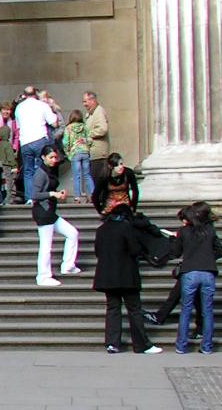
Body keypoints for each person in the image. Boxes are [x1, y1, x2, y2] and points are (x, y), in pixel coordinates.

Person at [92, 205, 161, 354]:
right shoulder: (126, 228)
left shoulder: (101, 229)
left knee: (113, 309)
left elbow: (97, 251)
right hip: (126, 275)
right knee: (134, 309)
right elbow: (135, 250)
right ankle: (141, 345)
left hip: (107, 277)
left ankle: (112, 343)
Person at [172, 202, 222, 355]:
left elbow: (176, 252)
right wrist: (208, 258)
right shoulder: (209, 230)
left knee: (186, 310)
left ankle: (182, 346)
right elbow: (220, 251)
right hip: (208, 272)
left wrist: (174, 240)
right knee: (207, 311)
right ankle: (207, 346)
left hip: (189, 272)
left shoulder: (183, 231)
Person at [31, 145, 80, 287]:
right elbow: (34, 194)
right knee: (46, 246)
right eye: (51, 157)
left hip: (49, 212)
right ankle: (43, 276)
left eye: (55, 157)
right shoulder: (40, 173)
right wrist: (53, 194)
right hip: (43, 212)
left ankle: (68, 265)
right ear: (43, 157)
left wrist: (57, 193)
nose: (54, 160)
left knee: (72, 233)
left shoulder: (50, 170)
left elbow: (48, 189)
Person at [13, 85, 59, 200]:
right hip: (40, 139)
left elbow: (18, 126)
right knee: (41, 169)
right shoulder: (42, 105)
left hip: (25, 142)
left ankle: (30, 198)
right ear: (36, 94)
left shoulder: (19, 107)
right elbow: (54, 123)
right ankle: (41, 195)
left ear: (24, 95)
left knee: (28, 171)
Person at [0, 100, 22, 204]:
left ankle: (11, 196)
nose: (6, 112)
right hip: (0, 152)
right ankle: (3, 196)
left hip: (11, 152)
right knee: (3, 175)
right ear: (0, 110)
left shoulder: (13, 121)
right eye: (4, 109)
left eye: (8, 110)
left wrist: (14, 147)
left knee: (11, 176)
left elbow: (17, 135)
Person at [91, 152, 140, 216]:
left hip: (125, 207)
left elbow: (135, 191)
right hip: (109, 209)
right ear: (110, 166)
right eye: (116, 165)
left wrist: (133, 207)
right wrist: (100, 210)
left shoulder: (128, 173)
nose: (120, 167)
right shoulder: (104, 177)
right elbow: (95, 195)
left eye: (121, 164)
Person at [63, 108, 94, 198]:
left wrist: (67, 153)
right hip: (85, 152)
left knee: (76, 176)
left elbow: (65, 142)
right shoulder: (85, 126)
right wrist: (86, 143)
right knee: (87, 174)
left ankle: (77, 196)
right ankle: (93, 194)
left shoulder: (68, 128)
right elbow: (90, 139)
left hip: (75, 152)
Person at [82, 90, 111, 165]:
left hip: (98, 155)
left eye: (85, 101)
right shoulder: (92, 112)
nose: (84, 104)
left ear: (92, 100)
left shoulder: (99, 111)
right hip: (94, 154)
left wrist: (88, 134)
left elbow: (103, 129)